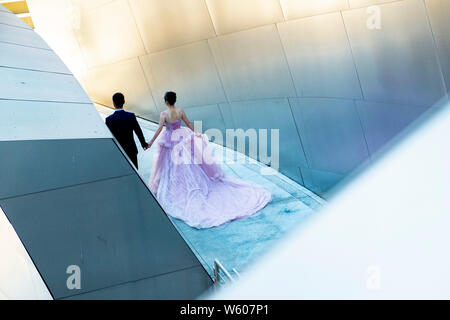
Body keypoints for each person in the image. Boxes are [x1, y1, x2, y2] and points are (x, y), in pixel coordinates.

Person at [147, 91, 271, 229]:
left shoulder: (164, 114)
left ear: (166, 101)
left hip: (170, 139)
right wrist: (196, 133)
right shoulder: (180, 111)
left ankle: (177, 188)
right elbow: (188, 123)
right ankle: (190, 183)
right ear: (174, 100)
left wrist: (151, 142)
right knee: (189, 164)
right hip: (182, 137)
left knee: (171, 166)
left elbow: (159, 129)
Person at [105, 93, 149, 169]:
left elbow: (108, 137)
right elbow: (138, 132)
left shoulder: (109, 119)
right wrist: (144, 144)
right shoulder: (131, 116)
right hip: (131, 150)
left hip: (117, 152)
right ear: (124, 101)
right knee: (134, 174)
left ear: (113, 103)